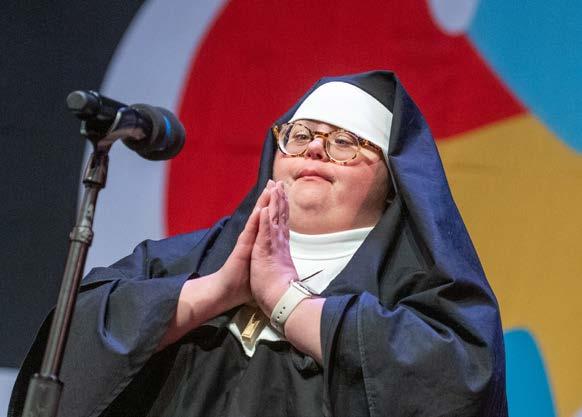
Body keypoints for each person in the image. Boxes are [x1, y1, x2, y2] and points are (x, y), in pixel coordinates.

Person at [10, 70, 508, 417]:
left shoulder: (419, 292)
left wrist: (287, 302)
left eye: (344, 143)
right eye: (301, 135)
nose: (315, 149)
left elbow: (457, 382)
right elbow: (71, 344)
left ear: (392, 181)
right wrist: (216, 291)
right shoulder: (190, 260)